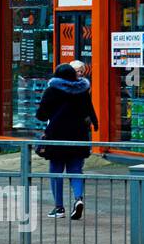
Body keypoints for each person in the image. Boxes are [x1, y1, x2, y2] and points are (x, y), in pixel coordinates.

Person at [35, 63, 99, 219]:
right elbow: (89, 111)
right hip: (78, 136)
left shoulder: (52, 90)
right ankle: (78, 198)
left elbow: (41, 115)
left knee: (56, 170)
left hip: (56, 136)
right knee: (76, 170)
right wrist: (95, 124)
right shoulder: (82, 91)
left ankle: (59, 208)